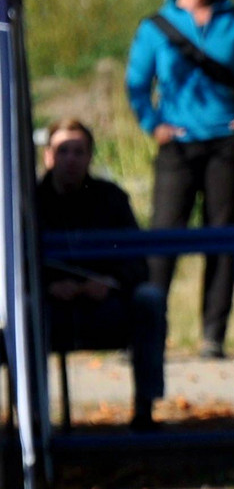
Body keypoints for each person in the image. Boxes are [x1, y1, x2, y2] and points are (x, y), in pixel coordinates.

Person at [125, 0, 234, 361]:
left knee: (221, 237)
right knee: (163, 236)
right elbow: (136, 84)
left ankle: (212, 335)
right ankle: (146, 335)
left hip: (226, 143)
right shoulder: (155, 27)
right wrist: (154, 125)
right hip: (179, 146)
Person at [35, 120, 166, 430]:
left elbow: (137, 261)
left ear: (90, 156)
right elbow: (15, 268)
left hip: (106, 307)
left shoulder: (111, 198)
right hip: (49, 309)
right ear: (48, 156)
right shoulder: (27, 203)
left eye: (78, 151)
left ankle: (145, 412)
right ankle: (35, 421)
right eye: (62, 150)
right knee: (22, 311)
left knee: (149, 299)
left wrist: (110, 282)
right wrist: (48, 286)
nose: (70, 159)